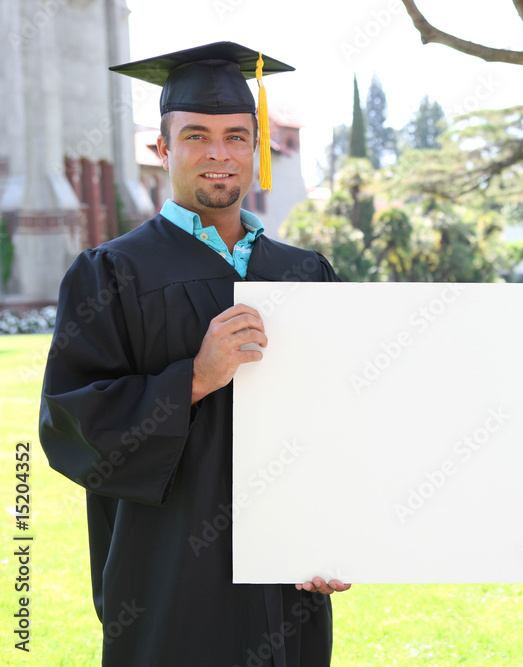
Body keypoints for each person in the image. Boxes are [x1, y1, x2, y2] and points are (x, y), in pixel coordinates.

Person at [39, 42, 349, 667]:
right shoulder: (112, 274)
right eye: (197, 135)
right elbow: (69, 427)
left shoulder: (304, 273)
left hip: (287, 581)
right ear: (163, 149)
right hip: (168, 579)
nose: (219, 153)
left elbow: (342, 426)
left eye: (237, 136)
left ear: (255, 150)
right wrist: (195, 380)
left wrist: (335, 535)